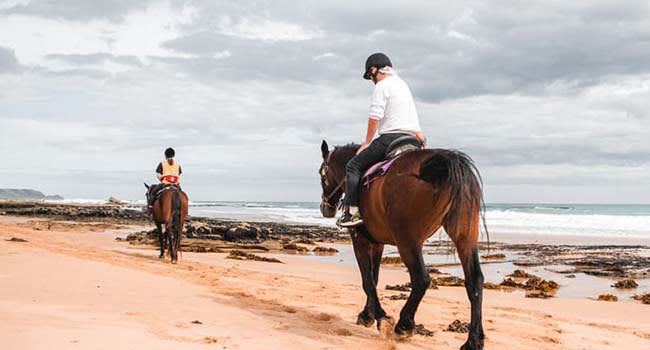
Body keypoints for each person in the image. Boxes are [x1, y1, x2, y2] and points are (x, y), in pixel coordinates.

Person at [337, 53, 425, 227]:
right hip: (412, 138)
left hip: (391, 137)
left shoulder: (382, 85)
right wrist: (419, 134)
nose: (372, 81)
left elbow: (375, 116)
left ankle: (352, 213)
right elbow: (409, 113)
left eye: (370, 77)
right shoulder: (402, 85)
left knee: (352, 166)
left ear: (373, 69)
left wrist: (367, 142)